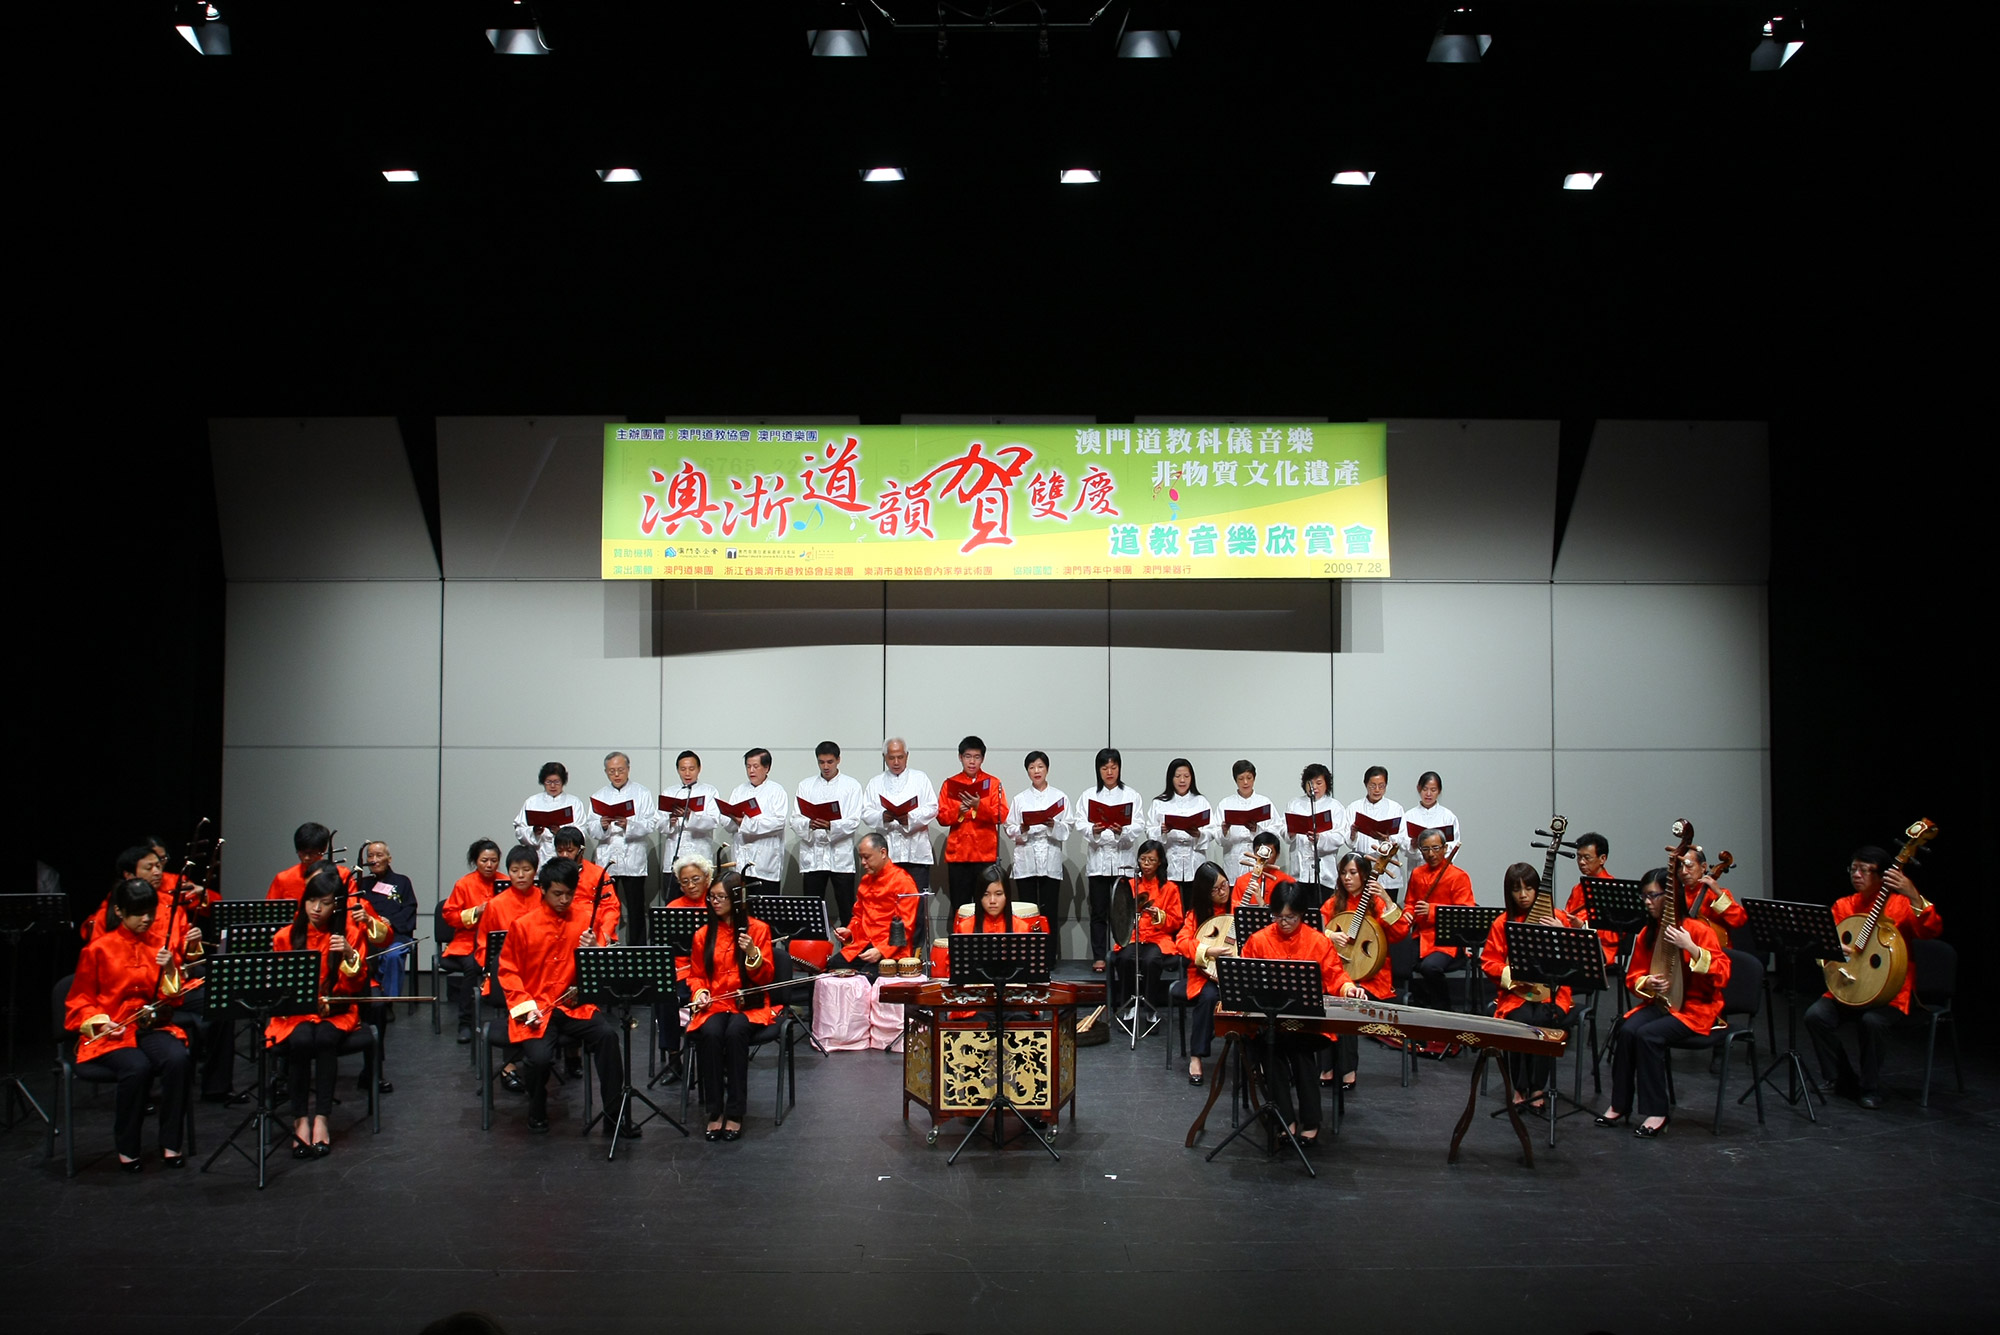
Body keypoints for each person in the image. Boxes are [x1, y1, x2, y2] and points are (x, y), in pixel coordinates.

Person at [65, 877, 194, 1171]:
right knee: (137, 1067)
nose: (146, 919)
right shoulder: (98, 949)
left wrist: (171, 968)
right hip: (112, 1031)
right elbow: (79, 1001)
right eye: (138, 913)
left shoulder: (160, 945)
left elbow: (173, 999)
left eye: (150, 912)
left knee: (178, 1060)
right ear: (119, 911)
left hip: (149, 1026)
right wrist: (101, 1022)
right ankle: (127, 1146)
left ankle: (171, 1142)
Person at [498, 858, 634, 1137]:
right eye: (557, 894)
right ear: (543, 890)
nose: (563, 900)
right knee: (538, 1059)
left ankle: (615, 1117)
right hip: (538, 1008)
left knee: (608, 1037)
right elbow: (508, 971)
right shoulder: (523, 925)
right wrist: (526, 1007)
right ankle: (537, 1110)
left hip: (574, 1006)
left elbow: (601, 972)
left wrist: (595, 950)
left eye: (569, 894)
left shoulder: (585, 921)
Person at [1802, 845, 1945, 1109]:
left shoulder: (1901, 905)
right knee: (1815, 1016)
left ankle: (1871, 1087)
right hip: (1850, 986)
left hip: (1890, 993)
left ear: (1882, 876)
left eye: (1866, 870)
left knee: (1872, 1021)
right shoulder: (1844, 905)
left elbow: (1931, 931)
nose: (1857, 874)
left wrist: (1913, 894)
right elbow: (1823, 948)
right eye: (1854, 868)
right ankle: (1842, 1079)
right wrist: (1832, 949)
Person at [1599, 867, 1732, 1137]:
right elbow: (1633, 977)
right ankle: (1620, 1104)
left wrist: (1691, 948)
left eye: (1653, 896)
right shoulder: (1648, 933)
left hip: (1697, 1010)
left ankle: (1657, 1112)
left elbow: (1724, 973)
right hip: (1663, 1004)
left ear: (1670, 898)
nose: (1647, 902)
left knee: (1648, 1035)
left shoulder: (1698, 930)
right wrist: (1647, 982)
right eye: (1644, 896)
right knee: (1626, 1030)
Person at [1241, 882, 1364, 1148]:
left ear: (1302, 914)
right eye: (1278, 917)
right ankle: (1286, 1119)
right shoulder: (1258, 940)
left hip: (1307, 1024)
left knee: (1300, 1052)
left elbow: (1336, 975)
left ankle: (1311, 1121)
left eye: (1291, 917)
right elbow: (1245, 980)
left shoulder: (1317, 941)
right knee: (1269, 1051)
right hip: (1272, 1023)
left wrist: (1349, 989)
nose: (1284, 923)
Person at [268, 865, 371, 1158]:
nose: (316, 908)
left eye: (324, 903)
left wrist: (350, 954)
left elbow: (355, 986)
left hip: (336, 1013)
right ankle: (300, 1119)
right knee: (301, 1040)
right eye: (312, 901)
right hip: (296, 1014)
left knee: (325, 1038)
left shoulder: (348, 933)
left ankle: (322, 1118)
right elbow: (278, 987)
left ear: (335, 906)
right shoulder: (286, 936)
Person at [686, 872, 778, 1141]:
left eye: (721, 897)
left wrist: (752, 953)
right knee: (711, 1033)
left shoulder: (758, 929)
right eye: (712, 897)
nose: (715, 902)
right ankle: (715, 1110)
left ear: (737, 900)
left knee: (735, 1032)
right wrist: (701, 992)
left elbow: (767, 978)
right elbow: (696, 975)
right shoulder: (703, 934)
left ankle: (736, 1112)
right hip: (716, 1003)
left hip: (748, 1005)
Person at [1480, 863, 1575, 1107]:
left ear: (1538, 890)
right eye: (1516, 889)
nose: (1523, 895)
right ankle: (1519, 1087)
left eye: (1529, 888)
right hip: (1516, 994)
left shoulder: (1557, 918)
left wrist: (1564, 933)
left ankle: (1538, 1087)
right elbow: (1489, 962)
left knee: (1543, 1021)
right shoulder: (1502, 923)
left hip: (1553, 993)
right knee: (1520, 1022)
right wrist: (1513, 975)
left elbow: (1577, 960)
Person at [1320, 851, 1411, 1090]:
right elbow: (1316, 931)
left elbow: (1401, 933)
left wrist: (1388, 900)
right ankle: (1326, 1066)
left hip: (1372, 978)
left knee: (1347, 1003)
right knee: (1323, 999)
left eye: (1353, 872)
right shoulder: (1333, 903)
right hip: (1339, 974)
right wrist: (1330, 935)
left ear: (1364, 874)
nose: (1347, 878)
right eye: (1343, 873)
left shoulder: (1376, 903)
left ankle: (1348, 1070)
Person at [478, 846, 545, 1093]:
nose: (520, 875)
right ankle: (510, 1065)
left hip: (540, 971)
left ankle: (543, 1055)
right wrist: (489, 968)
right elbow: (483, 945)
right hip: (508, 972)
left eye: (526, 870)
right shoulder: (496, 905)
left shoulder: (544, 899)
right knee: (514, 996)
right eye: (515, 870)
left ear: (535, 872)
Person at [862, 737, 938, 933]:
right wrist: (883, 816)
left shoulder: (920, 779)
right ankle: (887, 948)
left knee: (916, 906)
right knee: (887, 906)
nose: (896, 762)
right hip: (887, 856)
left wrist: (909, 818)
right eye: (891, 758)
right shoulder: (875, 782)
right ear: (884, 757)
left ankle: (916, 949)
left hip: (916, 854)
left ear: (907, 756)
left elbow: (932, 807)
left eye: (900, 757)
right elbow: (866, 812)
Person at [1079, 747, 1143, 973]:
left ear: (1119, 768)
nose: (1109, 772)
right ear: (1098, 770)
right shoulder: (1088, 795)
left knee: (1123, 913)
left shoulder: (1131, 795)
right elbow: (1080, 823)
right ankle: (1099, 956)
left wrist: (1121, 831)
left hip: (1123, 863)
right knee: (1098, 912)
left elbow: (1139, 824)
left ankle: (1123, 955)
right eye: (1105, 768)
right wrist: (1093, 830)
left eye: (1113, 767)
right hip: (1098, 863)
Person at [585, 751, 658, 945]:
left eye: (620, 770)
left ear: (628, 769)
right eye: (612, 771)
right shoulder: (599, 796)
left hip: (633, 857)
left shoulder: (642, 793)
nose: (616, 774)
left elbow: (651, 823)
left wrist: (629, 825)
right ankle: (604, 945)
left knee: (636, 908)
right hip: (607, 858)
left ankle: (638, 949)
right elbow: (590, 828)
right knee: (605, 907)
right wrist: (602, 825)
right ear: (606, 772)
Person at [1404, 827, 1476, 1013]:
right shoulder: (1417, 874)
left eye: (1436, 848)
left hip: (1448, 940)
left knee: (1430, 967)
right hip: (1421, 935)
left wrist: (1432, 911)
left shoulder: (1458, 876)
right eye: (1426, 849)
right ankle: (1418, 1007)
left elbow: (1465, 912)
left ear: (1445, 848)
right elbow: (1410, 903)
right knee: (1400, 962)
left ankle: (1442, 1009)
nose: (1431, 854)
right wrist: (1408, 914)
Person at [790, 740, 864, 922]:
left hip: (840, 856)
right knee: (812, 909)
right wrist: (809, 823)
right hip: (813, 855)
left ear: (838, 760)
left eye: (830, 762)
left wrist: (831, 825)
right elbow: (795, 819)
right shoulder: (805, 785)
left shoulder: (851, 786)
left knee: (846, 907)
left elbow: (854, 820)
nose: (825, 767)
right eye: (821, 762)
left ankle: (851, 939)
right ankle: (814, 940)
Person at [828, 833, 921, 976]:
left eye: (867, 857)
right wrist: (849, 932)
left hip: (891, 949)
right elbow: (858, 916)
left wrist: (881, 950)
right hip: (863, 944)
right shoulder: (866, 880)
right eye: (861, 858)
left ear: (883, 853)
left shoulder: (903, 882)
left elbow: (905, 927)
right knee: (834, 966)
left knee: (867, 976)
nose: (863, 862)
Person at [1175, 861, 1233, 1086]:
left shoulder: (1237, 907)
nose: (1223, 892)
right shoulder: (1195, 915)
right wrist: (1207, 950)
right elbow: (1181, 942)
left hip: (1236, 973)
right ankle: (1196, 1057)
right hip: (1206, 975)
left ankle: (1255, 1060)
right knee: (1209, 997)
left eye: (1224, 885)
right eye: (1215, 889)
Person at [938, 735, 1007, 923]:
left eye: (976, 757)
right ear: (960, 757)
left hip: (985, 856)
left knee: (987, 908)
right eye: (968, 756)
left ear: (982, 759)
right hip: (958, 856)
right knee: (960, 907)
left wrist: (979, 806)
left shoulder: (993, 783)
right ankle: (961, 940)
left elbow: (1001, 815)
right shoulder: (950, 784)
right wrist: (958, 811)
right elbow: (941, 817)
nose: (972, 761)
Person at [440, 840, 504, 1043]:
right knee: (471, 966)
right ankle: (465, 1022)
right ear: (475, 861)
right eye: (484, 860)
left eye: (494, 860)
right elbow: (449, 916)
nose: (489, 865)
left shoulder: (505, 882)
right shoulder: (464, 884)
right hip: (467, 941)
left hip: (499, 939)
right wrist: (475, 912)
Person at [1108, 840, 1180, 1017]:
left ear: (1160, 862)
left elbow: (1177, 921)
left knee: (1150, 961)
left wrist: (1159, 916)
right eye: (1143, 859)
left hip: (1158, 938)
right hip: (1134, 936)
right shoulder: (1130, 885)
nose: (1146, 864)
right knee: (1125, 958)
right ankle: (1127, 1006)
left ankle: (1150, 1009)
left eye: (1151, 860)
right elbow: (1119, 916)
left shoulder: (1170, 888)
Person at [1003, 751, 1069, 937]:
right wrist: (1022, 828)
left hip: (1050, 858)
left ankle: (1049, 953)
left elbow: (1067, 827)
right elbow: (1009, 827)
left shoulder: (1059, 797)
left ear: (1047, 769)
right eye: (1032, 768)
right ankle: (1027, 953)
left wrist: (1053, 824)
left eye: (1040, 767)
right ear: (1027, 771)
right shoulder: (1020, 799)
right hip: (1026, 859)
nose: (1036, 771)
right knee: (1026, 912)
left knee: (1049, 912)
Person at [1148, 758, 1215, 911]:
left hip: (1194, 860)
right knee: (1171, 908)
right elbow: (1149, 830)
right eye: (1178, 776)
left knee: (1194, 908)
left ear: (1192, 778)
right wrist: (1161, 830)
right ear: (1171, 778)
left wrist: (1199, 834)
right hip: (1170, 860)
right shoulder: (1159, 802)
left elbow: (1211, 831)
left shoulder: (1201, 801)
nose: (1182, 780)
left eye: (1186, 776)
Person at [358, 841, 418, 999]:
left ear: (389, 859)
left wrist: (390, 921)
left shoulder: (402, 881)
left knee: (393, 955)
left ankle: (388, 999)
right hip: (368, 934)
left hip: (395, 934)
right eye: (370, 856)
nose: (374, 860)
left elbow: (410, 908)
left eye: (379, 855)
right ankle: (368, 996)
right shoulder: (361, 883)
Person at [722, 748, 788, 890]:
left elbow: (779, 822)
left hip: (765, 862)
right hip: (741, 860)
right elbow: (729, 824)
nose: (751, 771)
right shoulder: (739, 791)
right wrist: (730, 817)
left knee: (765, 900)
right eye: (748, 766)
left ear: (767, 768)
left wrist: (746, 823)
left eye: (756, 766)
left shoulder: (776, 791)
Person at [1344, 765, 1408, 902]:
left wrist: (1387, 839)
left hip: (1387, 868)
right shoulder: (1354, 807)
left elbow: (1402, 839)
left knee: (1387, 909)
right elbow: (1349, 843)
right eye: (1373, 785)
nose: (1377, 790)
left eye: (1381, 786)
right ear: (1365, 784)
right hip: (1362, 868)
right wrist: (1353, 834)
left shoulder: (1395, 808)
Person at [657, 749, 722, 871]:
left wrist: (690, 816)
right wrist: (670, 822)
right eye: (683, 769)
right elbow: (659, 823)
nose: (687, 773)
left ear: (699, 769)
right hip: (674, 854)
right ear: (677, 770)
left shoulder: (709, 791)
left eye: (691, 769)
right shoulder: (669, 792)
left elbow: (714, 821)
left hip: (700, 853)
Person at [1215, 760, 1284, 875]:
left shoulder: (1264, 803)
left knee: (1256, 884)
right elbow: (1217, 837)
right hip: (1234, 861)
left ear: (1254, 778)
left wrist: (1257, 830)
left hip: (1259, 859)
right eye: (1241, 779)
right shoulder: (1225, 804)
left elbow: (1276, 832)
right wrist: (1225, 831)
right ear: (1235, 780)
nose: (1245, 782)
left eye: (1249, 778)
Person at [1563, 832, 1621, 970]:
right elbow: (1567, 917)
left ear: (1602, 859)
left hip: (1599, 948)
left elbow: (1615, 933)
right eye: (1579, 857)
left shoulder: (1612, 889)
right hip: (1573, 942)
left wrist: (1584, 927)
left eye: (1587, 857)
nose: (1582, 862)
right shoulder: (1577, 889)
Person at [1287, 764, 1346, 894]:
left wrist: (1320, 838)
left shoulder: (1335, 806)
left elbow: (1340, 836)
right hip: (1299, 871)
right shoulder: (1295, 804)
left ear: (1326, 784)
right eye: (1310, 783)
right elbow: (1284, 830)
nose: (1314, 787)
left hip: (1324, 872)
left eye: (1319, 783)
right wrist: (1290, 832)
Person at [514, 762, 583, 867]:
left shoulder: (574, 802)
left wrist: (561, 833)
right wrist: (534, 832)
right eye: (548, 782)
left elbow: (580, 832)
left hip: (565, 856)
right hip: (539, 853)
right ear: (543, 781)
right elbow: (520, 830)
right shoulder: (532, 802)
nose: (552, 786)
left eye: (557, 782)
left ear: (563, 781)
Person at [1678, 845, 1747, 939]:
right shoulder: (1677, 894)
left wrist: (1718, 893)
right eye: (1680, 868)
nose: (1684, 872)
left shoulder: (1717, 894)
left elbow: (1739, 921)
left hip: (1714, 946)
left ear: (1703, 867)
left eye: (1689, 866)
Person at [265, 821, 332, 900]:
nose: (306, 858)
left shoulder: (340, 876)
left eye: (312, 853)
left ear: (324, 849)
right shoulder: (283, 879)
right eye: (302, 852)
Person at [958, 867, 1036, 934]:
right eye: (986, 894)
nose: (992, 901)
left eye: (998, 894)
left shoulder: (1022, 928)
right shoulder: (964, 928)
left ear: (1007, 895)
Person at [1404, 771, 1462, 861]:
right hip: (1417, 865)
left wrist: (1436, 854)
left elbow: (1453, 845)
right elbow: (1403, 845)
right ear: (1418, 789)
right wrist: (1413, 846)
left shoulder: (1448, 816)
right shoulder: (1409, 816)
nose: (1428, 794)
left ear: (1439, 791)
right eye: (1425, 789)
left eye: (1433, 790)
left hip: (1441, 866)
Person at [1232, 830, 1295, 910]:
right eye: (1258, 851)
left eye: (1269, 853)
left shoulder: (1288, 882)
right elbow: (1234, 912)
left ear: (1277, 855)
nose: (1263, 857)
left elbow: (1292, 911)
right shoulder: (1241, 881)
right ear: (1253, 854)